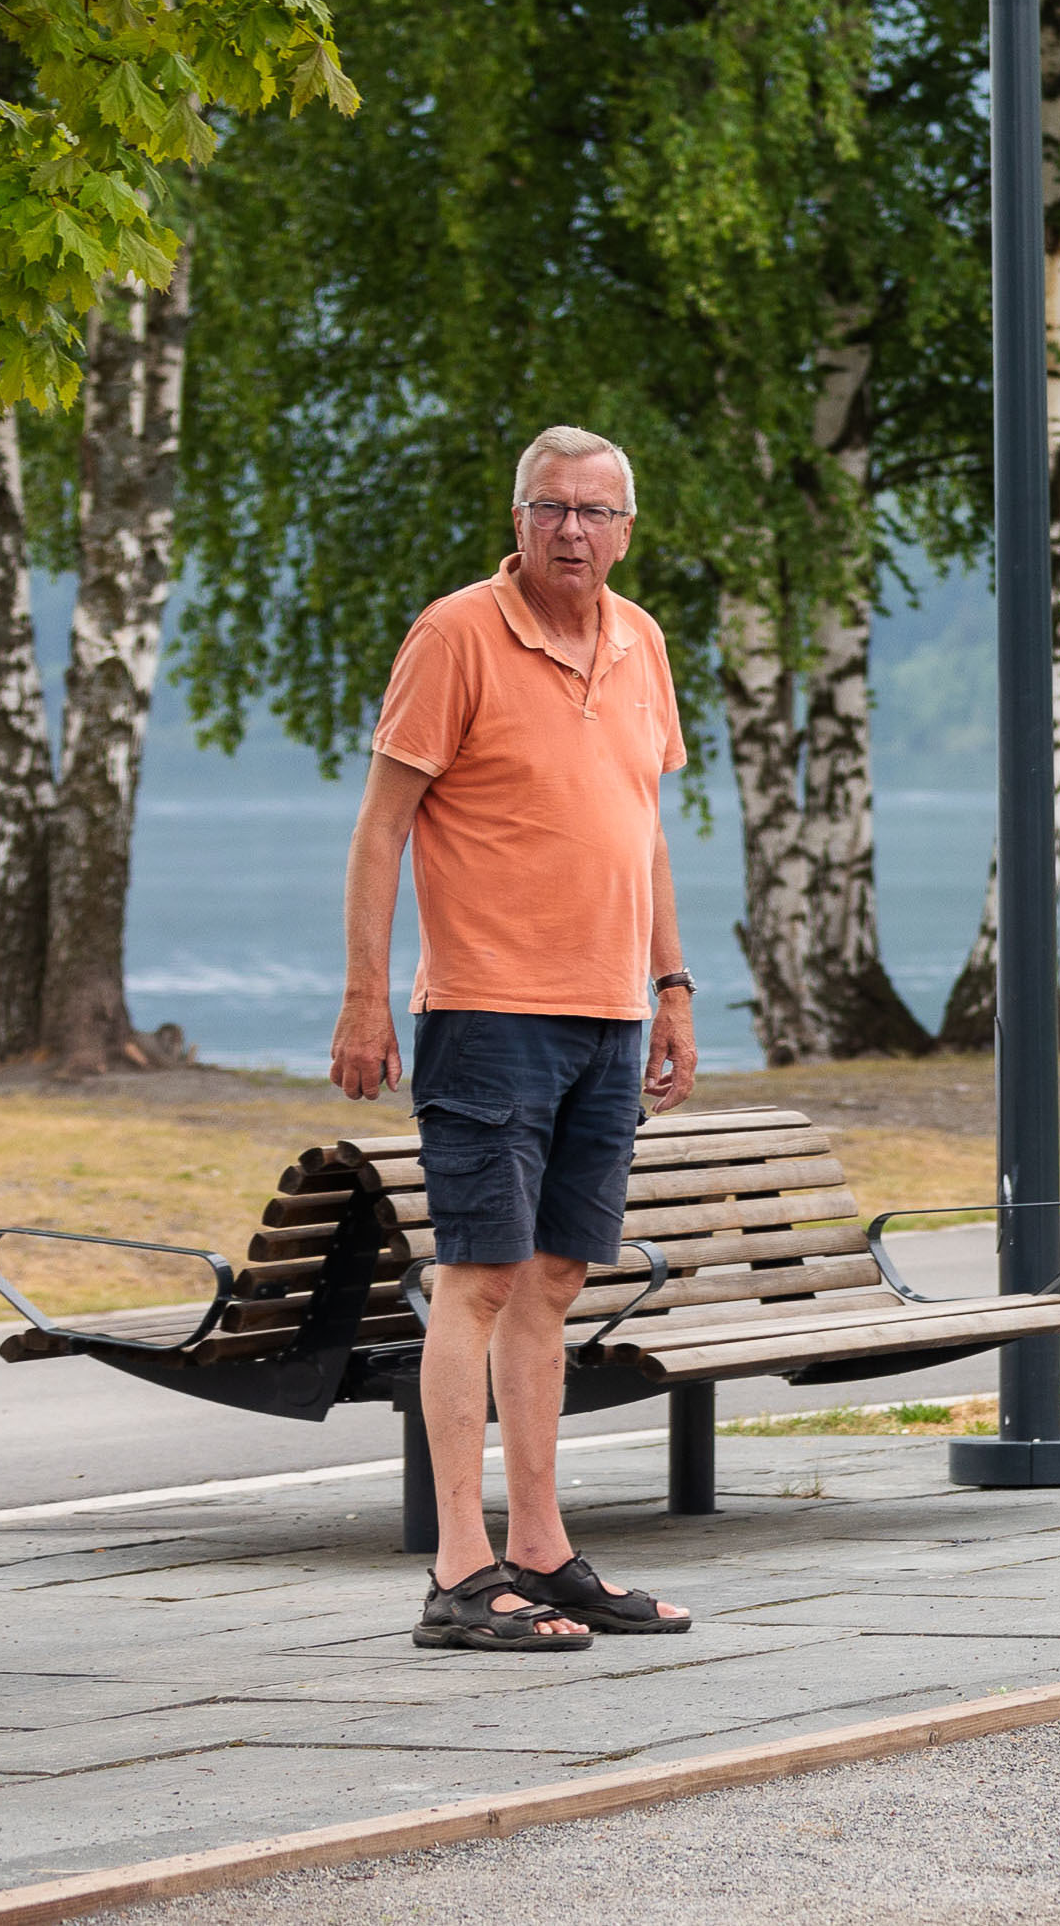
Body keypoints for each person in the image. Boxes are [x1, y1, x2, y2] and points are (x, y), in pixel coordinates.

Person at [330, 427, 703, 1653]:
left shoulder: (641, 639)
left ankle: (540, 1551)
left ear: (628, 529)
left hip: (608, 1011)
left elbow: (643, 828)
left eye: (597, 513)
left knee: (552, 1279)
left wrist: (673, 985)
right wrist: (366, 996)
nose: (573, 532)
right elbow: (382, 828)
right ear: (520, 516)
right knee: (481, 1278)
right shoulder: (455, 635)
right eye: (552, 508)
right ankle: (458, 1569)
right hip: (486, 1008)